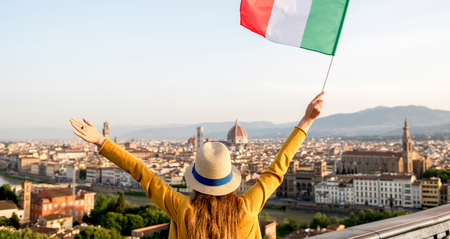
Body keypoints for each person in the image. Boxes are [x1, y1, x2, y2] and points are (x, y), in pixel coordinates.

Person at [70, 92, 325, 239]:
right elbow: (276, 170)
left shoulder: (184, 210)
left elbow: (144, 175)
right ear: (230, 178)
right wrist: (306, 120)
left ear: (196, 180)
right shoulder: (247, 208)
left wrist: (103, 142)